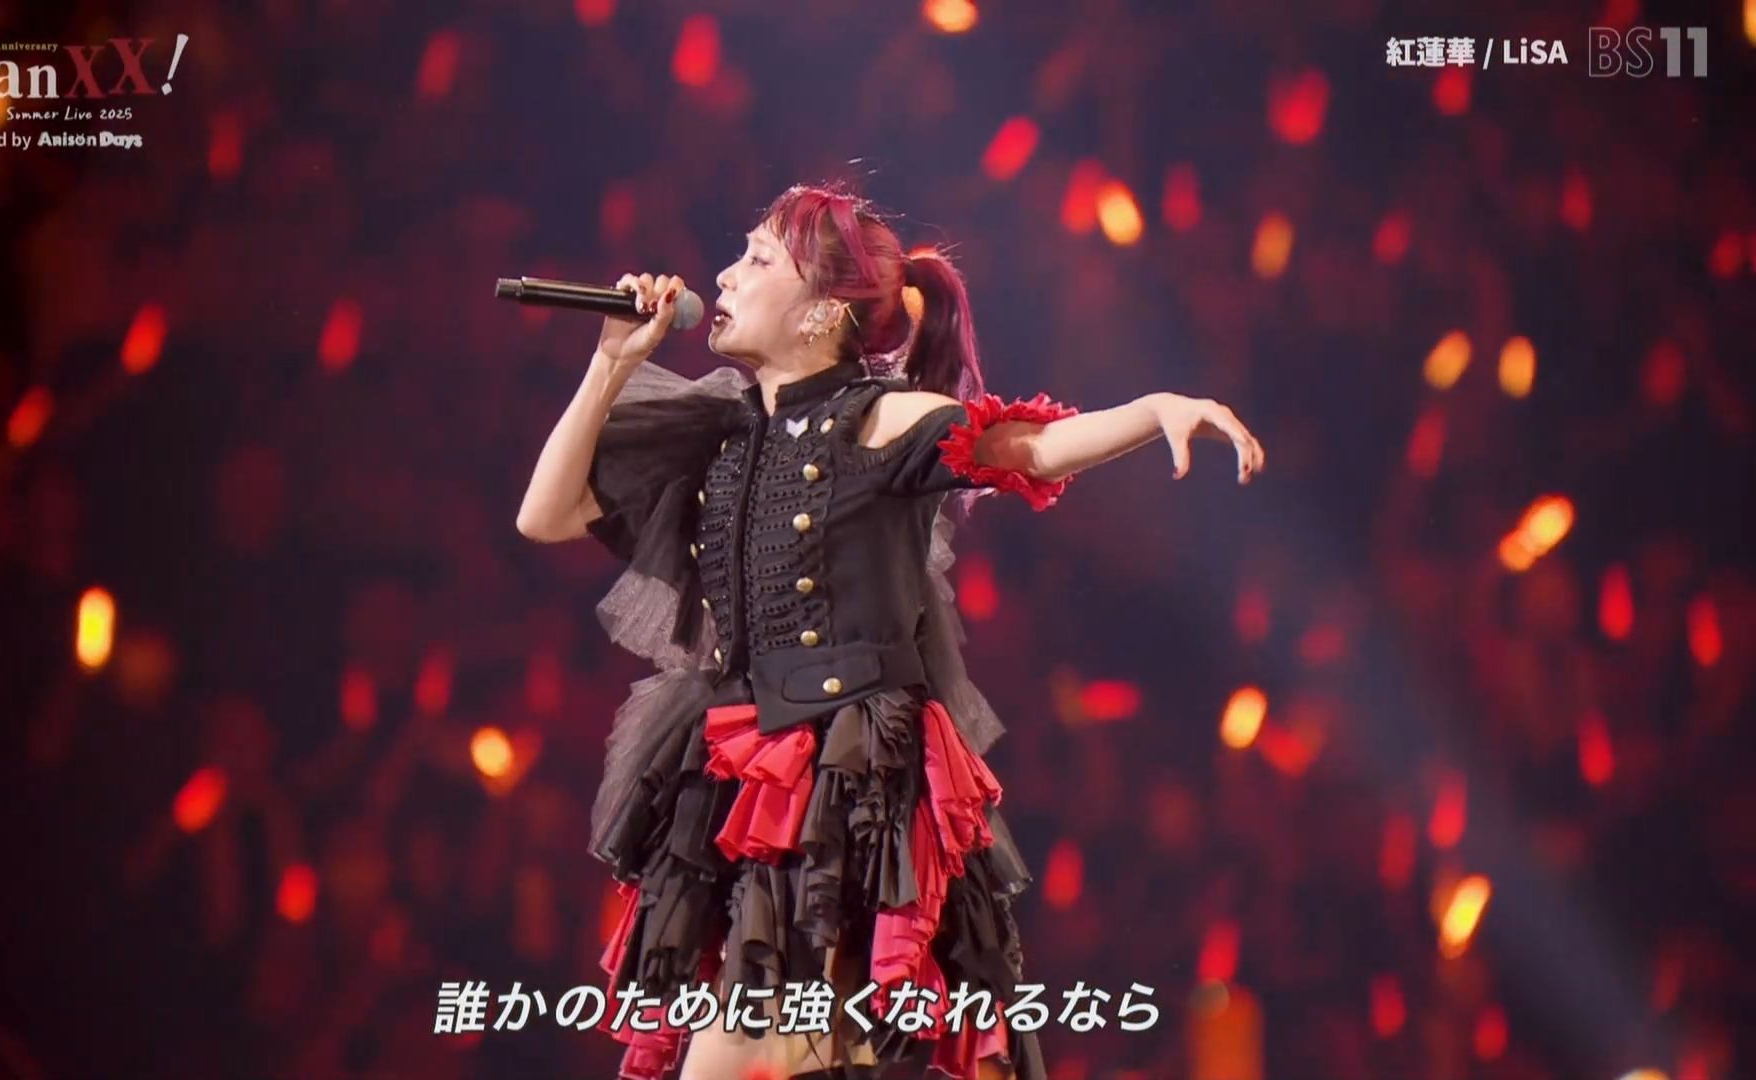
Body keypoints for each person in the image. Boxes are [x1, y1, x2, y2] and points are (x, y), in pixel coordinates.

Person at [517, 182, 1265, 1080]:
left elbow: (1026, 447)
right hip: (742, 785)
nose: (724, 275)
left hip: (853, 785)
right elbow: (544, 514)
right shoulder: (717, 433)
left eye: (757, 258)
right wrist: (610, 361)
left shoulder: (881, 416)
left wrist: (1152, 411)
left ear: (822, 311)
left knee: (784, 1049)